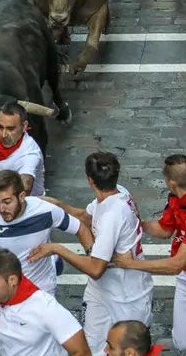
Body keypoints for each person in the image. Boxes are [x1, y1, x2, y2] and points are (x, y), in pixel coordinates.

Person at [27, 152, 154, 356]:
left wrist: (58, 249)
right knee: (94, 348)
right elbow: (86, 217)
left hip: (127, 298)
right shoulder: (118, 192)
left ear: (90, 180)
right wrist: (56, 205)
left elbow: (96, 269)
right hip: (101, 293)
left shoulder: (112, 215)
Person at [111, 154, 186, 356]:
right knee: (182, 343)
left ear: (172, 183)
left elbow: (176, 265)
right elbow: (165, 230)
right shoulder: (176, 198)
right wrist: (136, 224)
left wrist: (131, 264)